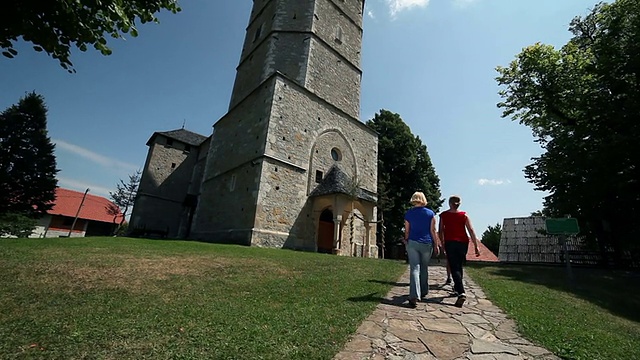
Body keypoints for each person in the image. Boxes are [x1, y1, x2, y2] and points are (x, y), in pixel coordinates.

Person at [438, 195, 480, 307]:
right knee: (459, 266)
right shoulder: (464, 215)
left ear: (449, 203)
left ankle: (461, 292)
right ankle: (457, 288)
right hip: (463, 243)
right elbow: (471, 230)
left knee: (454, 267)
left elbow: (440, 230)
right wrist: (476, 246)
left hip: (450, 242)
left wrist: (442, 243)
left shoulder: (444, 215)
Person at [403, 191, 441, 308]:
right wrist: (436, 244)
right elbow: (433, 230)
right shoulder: (430, 213)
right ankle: (423, 291)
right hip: (427, 243)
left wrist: (406, 240)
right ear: (423, 200)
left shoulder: (408, 214)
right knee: (424, 267)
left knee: (415, 268)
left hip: (413, 242)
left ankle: (414, 294)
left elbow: (407, 230)